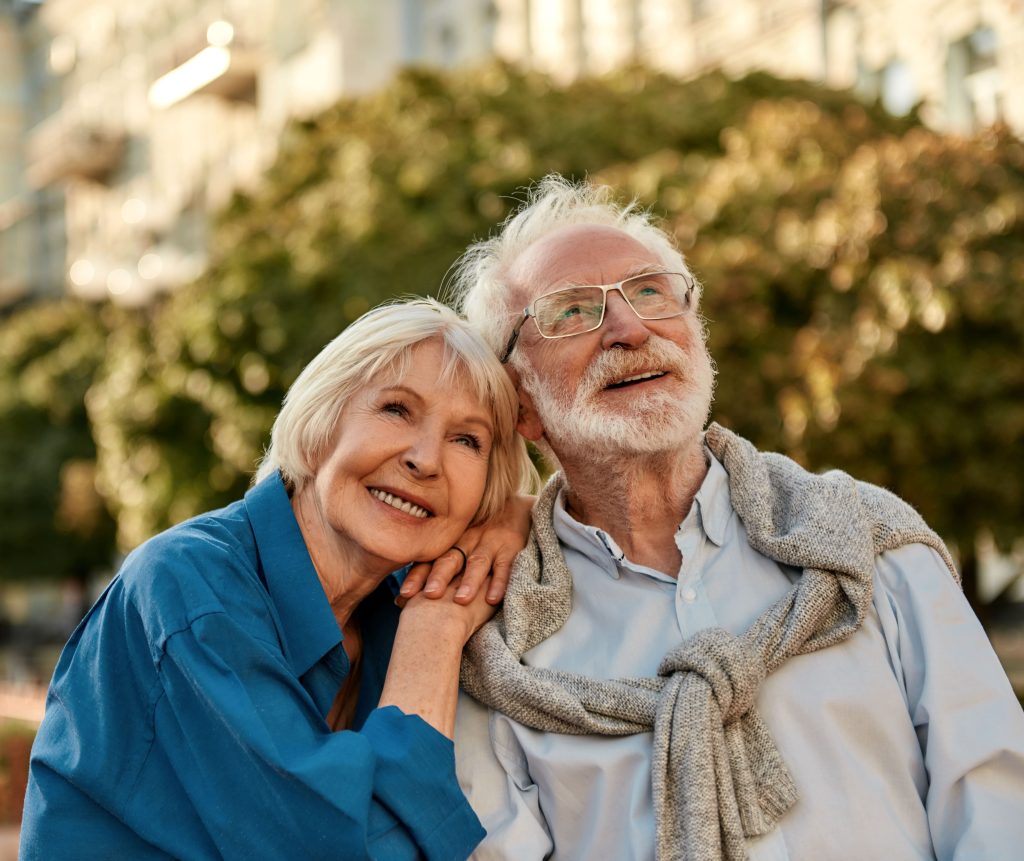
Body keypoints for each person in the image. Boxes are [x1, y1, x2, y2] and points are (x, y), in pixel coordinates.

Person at [448, 176, 1024, 861]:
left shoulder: (871, 538)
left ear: (696, 331)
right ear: (521, 406)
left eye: (652, 291)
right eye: (572, 312)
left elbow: (995, 800)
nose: (629, 328)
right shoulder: (496, 639)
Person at [20, 298, 538, 860]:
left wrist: (526, 516)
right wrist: (435, 627)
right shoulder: (190, 589)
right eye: (396, 409)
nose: (425, 459)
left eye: (468, 441)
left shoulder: (391, 606)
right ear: (320, 428)